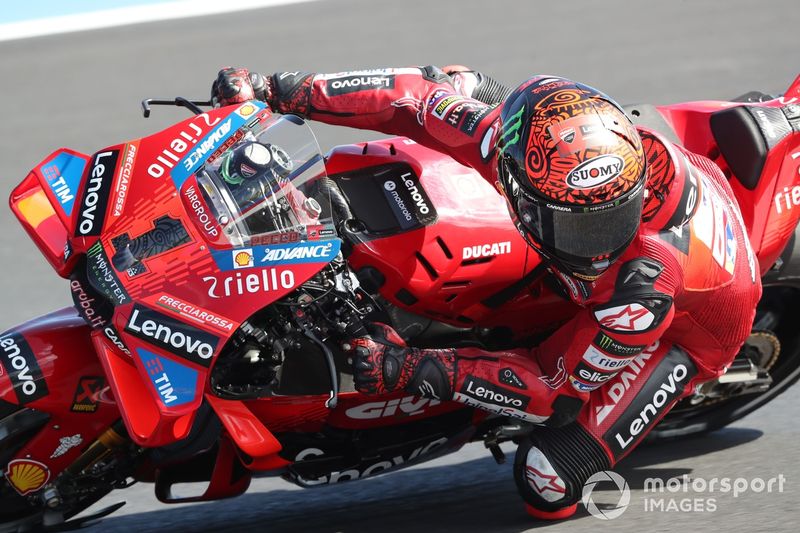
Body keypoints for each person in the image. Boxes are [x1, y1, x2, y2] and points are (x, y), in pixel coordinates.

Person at [211, 66, 762, 518]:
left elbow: (551, 389)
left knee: (548, 481)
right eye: (582, 226)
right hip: (667, 203)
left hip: (691, 329)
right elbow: (410, 99)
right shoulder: (518, 150)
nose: (600, 241)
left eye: (610, 218)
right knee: (459, 83)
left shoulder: (640, 291)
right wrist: (276, 91)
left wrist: (408, 367)